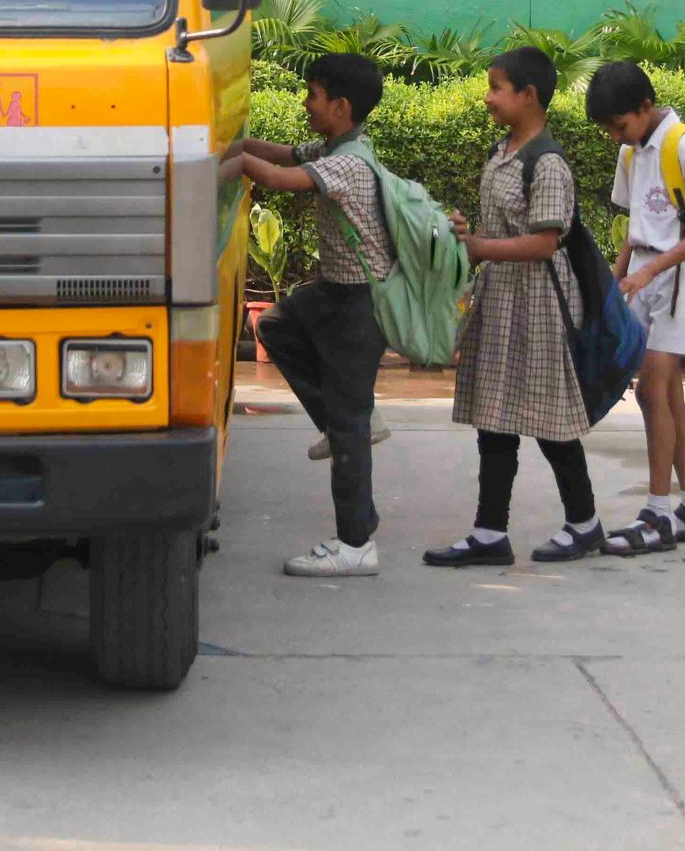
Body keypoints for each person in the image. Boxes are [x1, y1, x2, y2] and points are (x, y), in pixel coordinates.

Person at [426, 47, 604, 567]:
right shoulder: (502, 151)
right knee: (496, 418)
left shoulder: (547, 163)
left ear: (529, 95)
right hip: (503, 299)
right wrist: (469, 236)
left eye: (496, 88)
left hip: (538, 303)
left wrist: (481, 247)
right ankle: (489, 533)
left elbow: (545, 243)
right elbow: (504, 231)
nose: (488, 98)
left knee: (549, 421)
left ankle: (584, 523)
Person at [243, 53, 396, 577]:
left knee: (350, 425)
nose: (306, 104)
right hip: (333, 293)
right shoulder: (334, 146)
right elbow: (282, 154)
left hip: (360, 304)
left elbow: (278, 177)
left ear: (341, 106)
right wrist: (234, 143)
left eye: (313, 95)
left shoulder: (348, 164)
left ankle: (356, 544)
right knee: (275, 324)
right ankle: (345, 419)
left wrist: (218, 162)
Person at [586, 61, 685, 555]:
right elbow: (635, 227)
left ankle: (657, 513)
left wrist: (652, 271)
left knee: (651, 392)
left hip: (677, 280)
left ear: (645, 106)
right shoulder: (631, 151)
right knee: (668, 397)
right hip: (644, 277)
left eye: (619, 125)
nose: (615, 136)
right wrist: (616, 281)